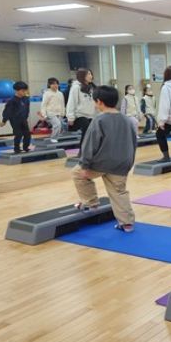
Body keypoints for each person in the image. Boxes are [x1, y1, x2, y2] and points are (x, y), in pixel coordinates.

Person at [72, 85, 138, 233]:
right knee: (119, 192)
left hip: (101, 163)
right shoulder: (127, 120)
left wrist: (84, 165)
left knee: (77, 173)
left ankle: (91, 203)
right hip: (122, 163)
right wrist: (129, 163)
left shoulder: (99, 120)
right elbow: (133, 143)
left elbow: (89, 144)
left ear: (99, 102)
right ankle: (127, 223)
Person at [66, 69, 96, 156]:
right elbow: (71, 102)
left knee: (92, 133)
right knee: (87, 131)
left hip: (91, 115)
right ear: (82, 76)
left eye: (91, 74)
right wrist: (70, 117)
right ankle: (82, 152)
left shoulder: (91, 88)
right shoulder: (76, 87)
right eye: (88, 74)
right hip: (80, 115)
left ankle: (89, 152)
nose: (91, 76)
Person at [0, 81, 31, 154]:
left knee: (27, 134)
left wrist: (26, 117)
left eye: (25, 90)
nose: (24, 92)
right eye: (23, 91)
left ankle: (26, 147)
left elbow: (27, 109)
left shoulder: (26, 99)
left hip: (23, 119)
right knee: (18, 134)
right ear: (17, 90)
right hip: (15, 120)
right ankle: (16, 148)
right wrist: (4, 121)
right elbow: (7, 111)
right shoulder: (12, 101)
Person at [39, 77, 66, 142]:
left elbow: (62, 104)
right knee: (57, 124)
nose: (55, 85)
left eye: (56, 84)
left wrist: (63, 113)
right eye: (53, 84)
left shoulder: (60, 93)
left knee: (60, 125)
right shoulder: (47, 93)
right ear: (49, 85)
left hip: (59, 113)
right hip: (50, 113)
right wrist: (44, 115)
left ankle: (56, 138)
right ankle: (53, 138)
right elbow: (43, 105)